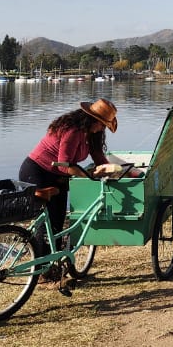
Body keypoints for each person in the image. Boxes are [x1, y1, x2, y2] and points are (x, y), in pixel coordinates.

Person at [19, 98, 136, 243]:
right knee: (45, 223)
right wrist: (89, 175)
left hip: (59, 176)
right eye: (102, 124)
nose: (102, 129)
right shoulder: (72, 131)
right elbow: (64, 164)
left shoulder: (92, 134)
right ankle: (39, 263)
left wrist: (115, 172)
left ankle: (53, 261)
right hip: (37, 171)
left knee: (58, 221)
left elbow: (99, 159)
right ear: (92, 119)